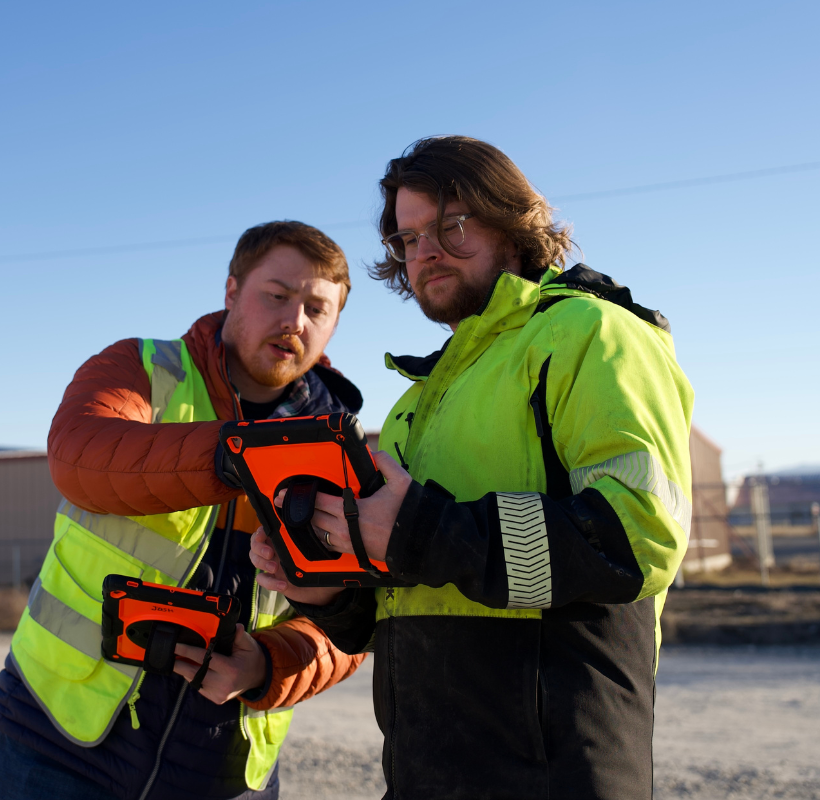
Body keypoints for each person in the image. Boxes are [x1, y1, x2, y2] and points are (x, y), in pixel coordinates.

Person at [250, 136, 694, 800]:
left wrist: (417, 531)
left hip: (556, 779)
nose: (424, 251)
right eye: (408, 239)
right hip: (421, 777)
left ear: (513, 221)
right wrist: (328, 592)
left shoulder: (591, 335)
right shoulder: (413, 404)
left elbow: (638, 538)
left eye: (450, 226)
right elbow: (401, 600)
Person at [0, 220, 368, 800]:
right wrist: (238, 456)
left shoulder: (343, 449)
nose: (295, 321)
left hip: (225, 769)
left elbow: (353, 625)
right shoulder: (144, 369)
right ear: (232, 291)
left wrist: (267, 664)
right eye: (278, 296)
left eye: (318, 308)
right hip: (63, 742)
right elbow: (79, 454)